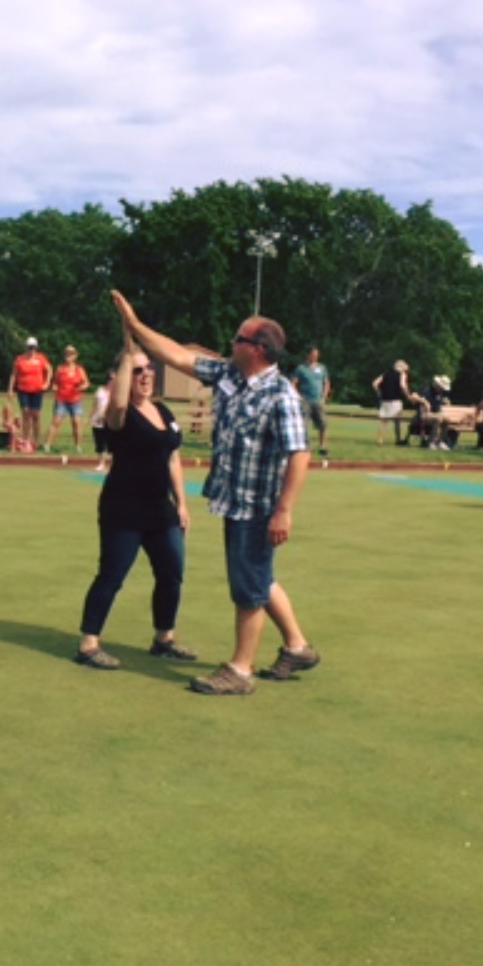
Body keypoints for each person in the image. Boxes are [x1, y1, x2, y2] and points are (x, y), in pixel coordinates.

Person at [112, 290, 319, 696]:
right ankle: (297, 646)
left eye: (239, 339)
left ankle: (240, 671)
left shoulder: (282, 397)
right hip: (233, 498)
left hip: (257, 507)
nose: (231, 343)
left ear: (258, 349)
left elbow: (300, 455)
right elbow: (176, 356)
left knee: (248, 588)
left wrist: (284, 511)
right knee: (259, 577)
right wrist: (135, 326)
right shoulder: (229, 374)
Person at [74, 334, 194, 670]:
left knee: (171, 574)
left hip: (161, 510)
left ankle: (164, 639)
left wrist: (181, 503)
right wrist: (128, 355)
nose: (146, 375)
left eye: (149, 369)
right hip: (123, 510)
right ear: (122, 376)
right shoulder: (118, 414)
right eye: (137, 370)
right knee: (112, 575)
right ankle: (88, 644)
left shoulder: (164, 411)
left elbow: (173, 459)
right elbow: (118, 406)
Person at [7, 337, 52, 453]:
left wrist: (47, 383)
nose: (31, 350)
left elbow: (49, 370)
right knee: (26, 413)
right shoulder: (20, 359)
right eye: (29, 347)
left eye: (33, 347)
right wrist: (10, 389)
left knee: (36, 415)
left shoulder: (41, 358)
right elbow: (14, 374)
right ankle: (25, 439)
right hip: (23, 389)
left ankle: (36, 440)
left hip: (37, 389)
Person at [46, 345, 91, 452]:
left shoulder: (79, 369)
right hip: (62, 398)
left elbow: (86, 383)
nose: (68, 356)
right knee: (56, 421)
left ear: (75, 356)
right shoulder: (60, 368)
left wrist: (81, 387)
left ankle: (78, 446)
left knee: (76, 422)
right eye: (67, 354)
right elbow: (55, 382)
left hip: (75, 399)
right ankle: (48, 445)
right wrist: (54, 387)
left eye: (71, 354)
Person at [290, 346, 331, 456]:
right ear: (308, 355)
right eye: (313, 355)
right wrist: (297, 397)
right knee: (305, 424)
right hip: (305, 400)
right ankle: (306, 446)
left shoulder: (322, 368)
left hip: (318, 400)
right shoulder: (301, 369)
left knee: (323, 424)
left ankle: (323, 446)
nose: (315, 357)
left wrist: (324, 395)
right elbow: (293, 383)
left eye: (316, 355)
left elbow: (326, 382)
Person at [372, 360, 413, 446]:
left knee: (383, 421)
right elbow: (403, 385)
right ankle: (398, 439)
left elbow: (375, 383)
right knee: (398, 420)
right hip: (395, 400)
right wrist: (408, 395)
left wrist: (379, 392)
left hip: (385, 399)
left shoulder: (386, 373)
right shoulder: (402, 375)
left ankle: (380, 439)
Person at [89, 370, 115, 472]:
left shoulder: (117, 392)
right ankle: (101, 463)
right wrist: (91, 416)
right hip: (98, 419)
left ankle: (113, 463)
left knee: (112, 442)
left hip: (111, 420)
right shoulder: (100, 390)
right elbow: (95, 404)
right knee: (99, 442)